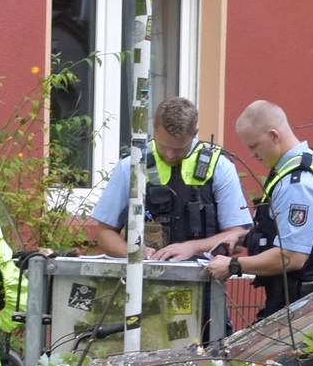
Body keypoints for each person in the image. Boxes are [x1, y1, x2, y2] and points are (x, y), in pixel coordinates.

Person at [205, 100, 313, 319]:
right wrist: (246, 239)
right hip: (307, 304)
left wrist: (233, 265)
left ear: (273, 135)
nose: (252, 154)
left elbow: (291, 256)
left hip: (301, 310)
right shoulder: (305, 164)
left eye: (254, 146)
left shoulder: (298, 183)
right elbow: (285, 232)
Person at [86, 97, 250, 262]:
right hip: (142, 280)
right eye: (164, 146)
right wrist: (137, 253)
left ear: (195, 132)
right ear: (154, 129)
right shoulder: (133, 164)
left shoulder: (219, 166)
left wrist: (193, 247)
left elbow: (237, 234)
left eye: (179, 149)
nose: (170, 155)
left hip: (203, 280)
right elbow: (104, 233)